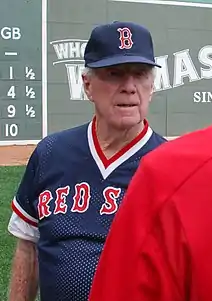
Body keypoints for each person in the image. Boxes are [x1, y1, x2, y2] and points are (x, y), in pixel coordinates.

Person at [7, 21, 166, 301]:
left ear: (151, 86)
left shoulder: (171, 166)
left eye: (140, 74)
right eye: (114, 74)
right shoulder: (51, 153)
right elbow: (27, 248)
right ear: (88, 85)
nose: (129, 87)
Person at [88, 121, 212, 301]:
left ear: (150, 93)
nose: (129, 91)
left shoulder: (171, 171)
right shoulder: (53, 152)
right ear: (88, 91)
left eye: (143, 89)